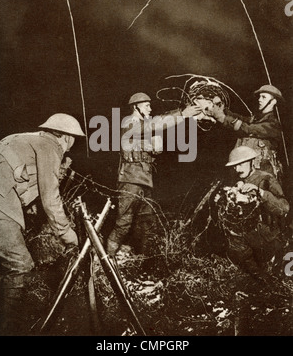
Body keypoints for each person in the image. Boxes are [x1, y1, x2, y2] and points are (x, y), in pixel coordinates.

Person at [0, 113, 85, 335]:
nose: (70, 147)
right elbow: (51, 199)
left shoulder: (24, 138)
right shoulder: (49, 145)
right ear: (65, 137)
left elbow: (18, 176)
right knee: (19, 264)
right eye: (72, 140)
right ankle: (8, 330)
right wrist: (69, 236)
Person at [106, 92, 202, 257]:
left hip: (145, 181)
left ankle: (144, 264)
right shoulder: (129, 122)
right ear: (136, 107)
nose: (150, 109)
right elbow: (156, 124)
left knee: (147, 224)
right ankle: (105, 259)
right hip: (130, 180)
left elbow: (157, 125)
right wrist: (182, 113)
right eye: (146, 106)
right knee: (123, 223)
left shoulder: (144, 126)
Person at [217, 145, 289, 279]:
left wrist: (260, 192)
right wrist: (224, 199)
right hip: (247, 236)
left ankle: (269, 266)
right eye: (234, 166)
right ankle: (258, 275)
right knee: (234, 238)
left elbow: (284, 208)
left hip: (268, 237)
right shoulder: (237, 179)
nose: (237, 169)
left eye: (241, 164)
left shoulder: (266, 179)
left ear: (252, 162)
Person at [209, 84, 285, 181]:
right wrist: (222, 109)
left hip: (264, 175)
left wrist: (222, 117)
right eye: (259, 97)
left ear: (273, 101)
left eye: (264, 97)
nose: (259, 100)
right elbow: (241, 119)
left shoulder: (273, 124)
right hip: (249, 171)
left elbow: (247, 129)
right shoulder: (256, 119)